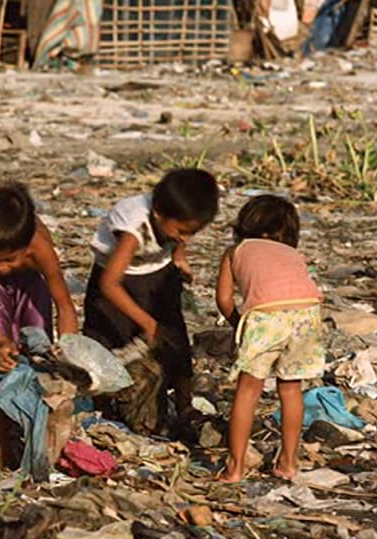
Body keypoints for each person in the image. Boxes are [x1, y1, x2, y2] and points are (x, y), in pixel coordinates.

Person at [82, 168, 219, 435]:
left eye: (193, 232)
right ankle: (101, 411)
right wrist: (146, 321)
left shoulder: (172, 221)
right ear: (158, 213)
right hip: (117, 284)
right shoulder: (133, 228)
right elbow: (109, 284)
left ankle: (185, 408)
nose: (186, 237)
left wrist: (180, 256)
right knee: (106, 345)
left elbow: (179, 238)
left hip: (158, 276)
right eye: (182, 231)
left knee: (176, 343)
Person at [0, 184, 79, 467]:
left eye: (9, 259)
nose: (1, 267)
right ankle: (1, 443)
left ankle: (34, 438)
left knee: (39, 356)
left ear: (24, 248)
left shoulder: (40, 249)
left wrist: (68, 348)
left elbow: (63, 303)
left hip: (30, 283)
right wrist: (0, 342)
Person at [215, 194, 324, 482]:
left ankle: (235, 467)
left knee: (248, 390)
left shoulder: (235, 251)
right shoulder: (293, 254)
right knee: (290, 389)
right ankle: (288, 462)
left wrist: (240, 325)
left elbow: (224, 299)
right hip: (307, 312)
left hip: (265, 316)